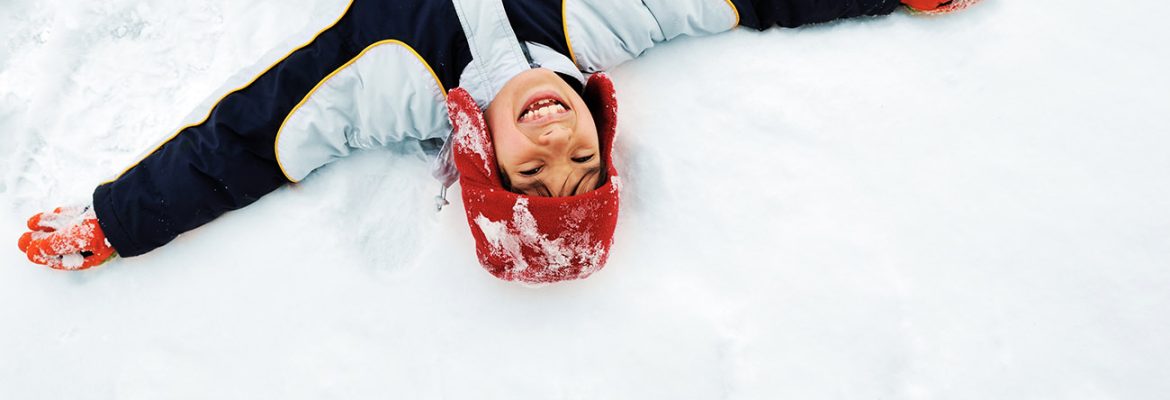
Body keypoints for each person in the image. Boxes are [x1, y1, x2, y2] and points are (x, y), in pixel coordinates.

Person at [15, 0, 978, 283]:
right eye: (584, 163)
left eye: (532, 172)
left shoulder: (386, 83)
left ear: (484, 162)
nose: (557, 140)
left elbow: (238, 145)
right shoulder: (614, 23)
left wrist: (116, 221)